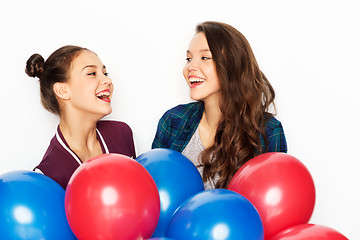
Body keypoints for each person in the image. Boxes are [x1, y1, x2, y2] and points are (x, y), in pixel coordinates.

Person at [152, 21, 287, 189]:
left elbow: (272, 203)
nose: (190, 67)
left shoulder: (268, 131)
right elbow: (151, 190)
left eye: (205, 57)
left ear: (232, 65)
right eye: (188, 58)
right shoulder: (173, 121)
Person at [26, 45, 136, 189]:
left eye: (105, 73)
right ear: (62, 90)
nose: (107, 81)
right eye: (91, 73)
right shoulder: (49, 175)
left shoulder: (121, 133)